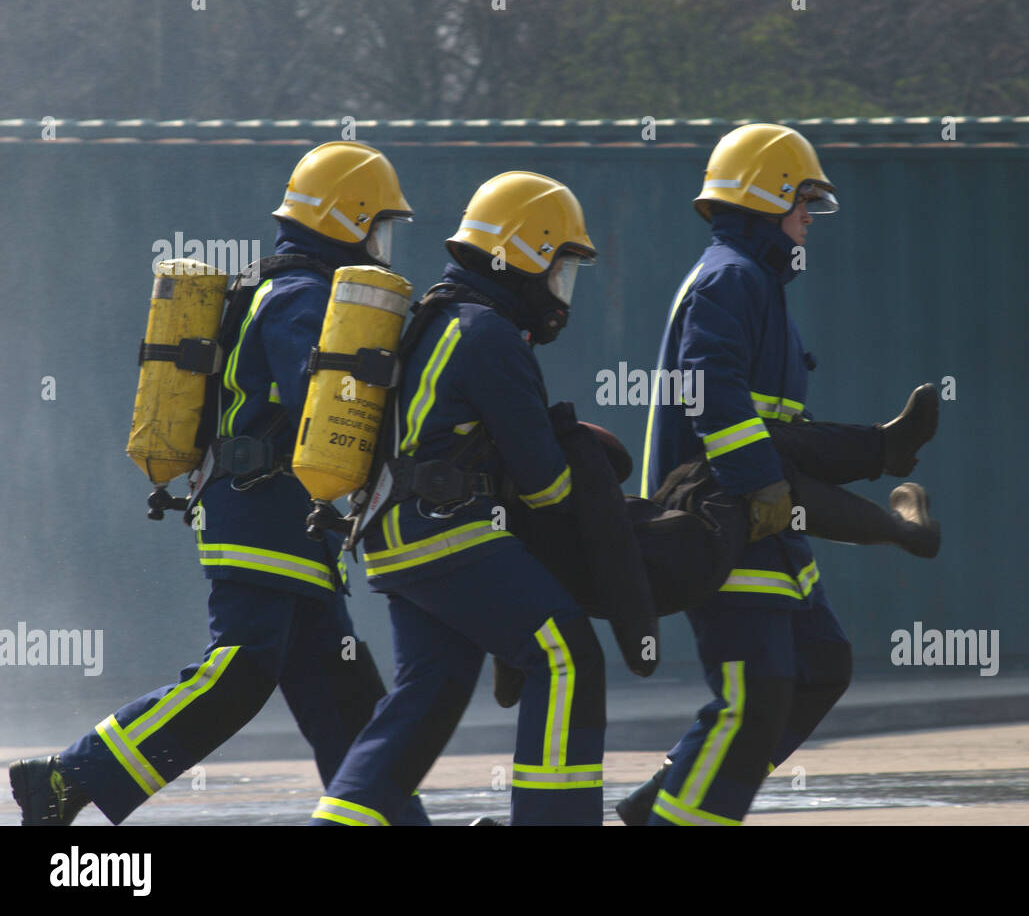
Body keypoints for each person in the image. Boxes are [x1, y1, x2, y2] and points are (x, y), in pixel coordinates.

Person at [8, 141, 428, 826]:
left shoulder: (273, 284)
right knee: (237, 674)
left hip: (279, 518)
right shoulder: (300, 297)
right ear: (345, 220)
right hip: (264, 518)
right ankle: (66, 776)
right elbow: (316, 401)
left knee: (343, 692)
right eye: (376, 226)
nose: (381, 244)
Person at [620, 124, 939, 826]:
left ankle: (663, 799)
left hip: (769, 523)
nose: (807, 224)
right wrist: (762, 485)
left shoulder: (754, 282)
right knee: (755, 695)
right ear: (766, 200)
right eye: (802, 206)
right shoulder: (731, 278)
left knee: (820, 666)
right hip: (725, 521)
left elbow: (782, 435)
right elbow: (715, 390)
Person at [310, 171, 608, 827]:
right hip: (449, 535)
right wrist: (583, 457)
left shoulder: (436, 320)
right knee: (565, 652)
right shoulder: (490, 335)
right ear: (527, 255)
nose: (561, 290)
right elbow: (547, 487)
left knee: (429, 690)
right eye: (560, 267)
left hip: (393, 544)